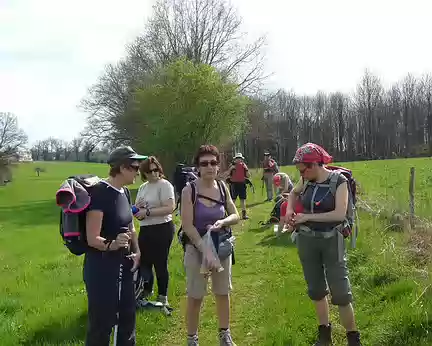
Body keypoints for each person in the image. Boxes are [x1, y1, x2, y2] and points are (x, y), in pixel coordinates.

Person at [283, 143, 362, 346]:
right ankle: (324, 335)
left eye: (303, 169)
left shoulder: (339, 181)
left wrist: (305, 217)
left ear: (315, 164)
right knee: (316, 289)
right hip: (307, 240)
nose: (301, 173)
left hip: (331, 241)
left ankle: (353, 338)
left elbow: (339, 214)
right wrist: (290, 211)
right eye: (299, 170)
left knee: (341, 292)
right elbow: (292, 193)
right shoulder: (305, 179)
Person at [84, 146, 147, 346]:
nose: (138, 171)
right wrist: (112, 244)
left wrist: (136, 252)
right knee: (102, 323)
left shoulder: (125, 192)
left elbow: (130, 227)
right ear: (121, 167)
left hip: (125, 266)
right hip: (102, 269)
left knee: (128, 317)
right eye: (134, 166)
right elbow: (92, 238)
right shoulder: (100, 193)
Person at [181, 144, 240, 346]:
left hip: (221, 245)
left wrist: (223, 222)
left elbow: (235, 214)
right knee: (196, 295)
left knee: (223, 292)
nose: (209, 167)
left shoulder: (223, 187)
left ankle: (225, 335)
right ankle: (192, 339)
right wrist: (204, 250)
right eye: (204, 163)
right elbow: (187, 226)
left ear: (218, 165)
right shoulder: (189, 190)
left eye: (213, 163)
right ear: (197, 166)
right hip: (196, 248)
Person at [134, 156, 176, 307]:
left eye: (156, 169)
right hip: (146, 228)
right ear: (144, 173)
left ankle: (162, 296)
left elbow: (170, 208)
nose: (154, 173)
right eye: (150, 171)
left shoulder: (165, 185)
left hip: (162, 228)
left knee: (160, 263)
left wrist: (148, 212)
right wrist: (136, 209)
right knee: (144, 262)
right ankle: (146, 291)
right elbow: (137, 211)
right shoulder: (143, 188)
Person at [228, 153, 250, 220]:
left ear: (241, 159)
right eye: (237, 158)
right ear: (235, 159)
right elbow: (227, 174)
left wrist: (246, 169)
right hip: (234, 184)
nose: (238, 160)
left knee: (242, 199)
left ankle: (244, 215)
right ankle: (231, 214)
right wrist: (231, 169)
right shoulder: (231, 166)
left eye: (239, 158)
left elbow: (248, 175)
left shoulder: (243, 166)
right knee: (233, 200)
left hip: (242, 184)